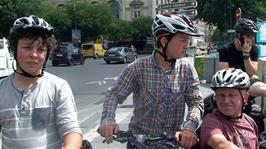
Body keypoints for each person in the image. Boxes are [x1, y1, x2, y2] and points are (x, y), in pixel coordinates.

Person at [98, 13, 204, 149]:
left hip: (172, 144)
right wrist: (108, 120)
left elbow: (196, 102)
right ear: (164, 41)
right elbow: (114, 94)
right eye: (183, 40)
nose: (187, 45)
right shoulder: (138, 67)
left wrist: (189, 127)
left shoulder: (187, 69)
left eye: (188, 41)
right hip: (139, 143)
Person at [0, 15, 83, 148]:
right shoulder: (2, 89)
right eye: (27, 47)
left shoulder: (58, 87)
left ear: (47, 54)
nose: (34, 54)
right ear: (14, 49)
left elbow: (71, 131)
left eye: (41, 49)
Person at [200, 68, 259, 149]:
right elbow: (220, 144)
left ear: (245, 97)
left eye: (232, 95)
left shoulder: (251, 122)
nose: (226, 101)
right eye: (221, 95)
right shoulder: (211, 120)